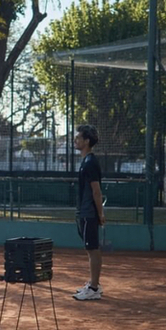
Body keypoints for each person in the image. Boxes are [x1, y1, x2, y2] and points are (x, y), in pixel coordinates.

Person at [72, 125, 105, 301]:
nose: (75, 140)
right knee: (90, 248)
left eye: (78, 138)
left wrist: (100, 214)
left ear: (86, 141)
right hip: (84, 212)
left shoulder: (91, 162)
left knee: (93, 249)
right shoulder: (86, 162)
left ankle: (93, 288)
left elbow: (96, 191)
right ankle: (93, 284)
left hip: (89, 213)